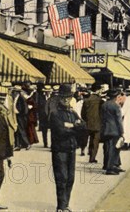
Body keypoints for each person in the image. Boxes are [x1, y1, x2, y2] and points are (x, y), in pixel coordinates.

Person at [50, 84, 86, 212]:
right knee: (62, 178)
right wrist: (75, 127)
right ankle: (61, 206)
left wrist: (71, 126)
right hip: (60, 150)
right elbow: (60, 131)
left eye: (68, 97)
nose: (66, 100)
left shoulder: (72, 112)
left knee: (70, 178)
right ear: (59, 98)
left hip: (71, 148)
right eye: (64, 98)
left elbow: (84, 126)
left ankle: (66, 204)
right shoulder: (55, 114)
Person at [101, 88, 125, 175]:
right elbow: (119, 120)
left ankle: (112, 165)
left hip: (106, 129)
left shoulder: (104, 105)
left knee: (107, 147)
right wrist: (122, 132)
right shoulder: (116, 106)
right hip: (114, 129)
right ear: (116, 97)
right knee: (114, 149)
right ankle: (110, 168)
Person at [81, 84, 103, 163]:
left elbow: (82, 113)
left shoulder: (86, 100)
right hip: (97, 124)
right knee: (95, 141)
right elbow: (102, 113)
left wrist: (87, 120)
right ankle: (92, 157)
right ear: (98, 90)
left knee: (90, 139)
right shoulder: (100, 100)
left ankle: (88, 152)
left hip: (88, 123)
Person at [11, 85, 30, 151]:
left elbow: (25, 109)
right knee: (16, 130)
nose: (14, 93)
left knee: (21, 130)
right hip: (16, 116)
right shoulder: (14, 98)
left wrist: (20, 113)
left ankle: (27, 144)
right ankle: (17, 145)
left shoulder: (21, 98)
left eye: (15, 91)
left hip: (20, 117)